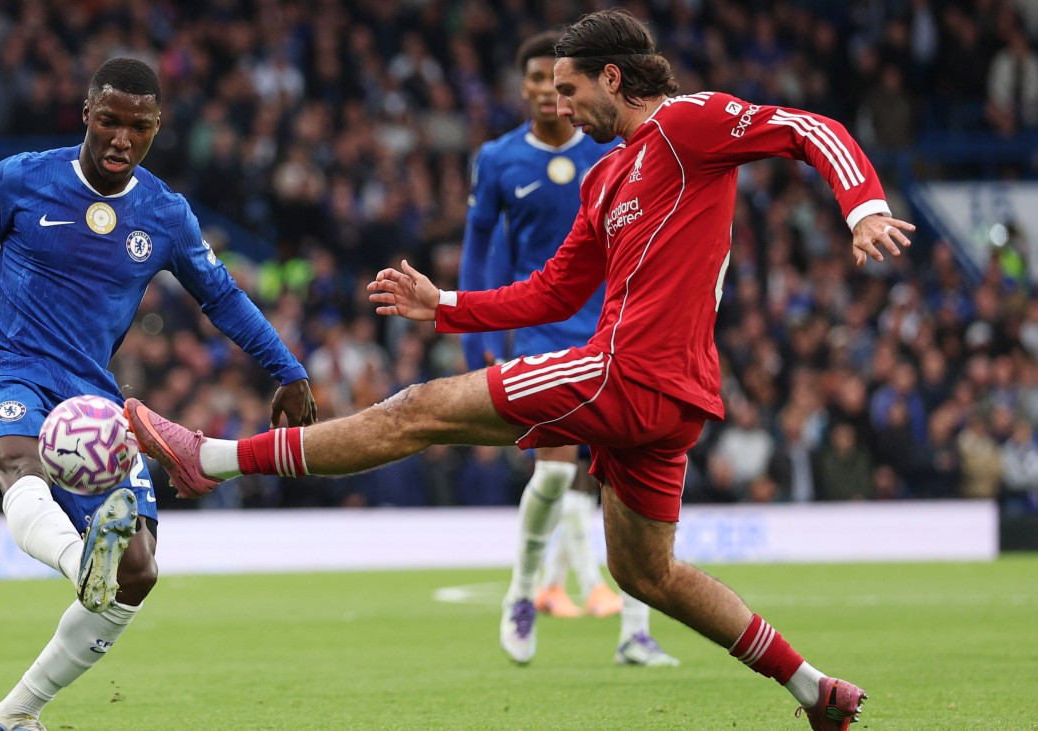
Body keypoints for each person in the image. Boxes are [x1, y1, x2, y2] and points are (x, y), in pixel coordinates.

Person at [125, 9, 912, 729]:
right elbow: (555, 288)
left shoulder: (686, 124)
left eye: (569, 90)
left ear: (612, 77)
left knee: (419, 408)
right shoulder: (608, 179)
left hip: (630, 373)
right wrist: (448, 306)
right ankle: (815, 690)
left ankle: (213, 461)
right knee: (647, 575)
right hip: (666, 398)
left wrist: (863, 206)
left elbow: (810, 127)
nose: (561, 108)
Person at [0, 58, 315, 731]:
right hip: (11, 368)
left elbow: (224, 297)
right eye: (112, 121)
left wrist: (289, 370)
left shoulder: (165, 213)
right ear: (87, 113)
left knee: (139, 572)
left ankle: (13, 715)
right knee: (16, 461)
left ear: (156, 128)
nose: (124, 138)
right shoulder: (21, 178)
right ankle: (76, 559)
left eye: (140, 127)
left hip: (91, 398)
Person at [459, 30, 673, 667]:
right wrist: (476, 342)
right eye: (534, 83)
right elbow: (477, 248)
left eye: (557, 83)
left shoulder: (615, 150)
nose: (547, 95)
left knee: (625, 482)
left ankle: (636, 631)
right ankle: (523, 594)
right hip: (544, 326)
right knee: (554, 473)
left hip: (618, 325)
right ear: (525, 88)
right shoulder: (498, 159)